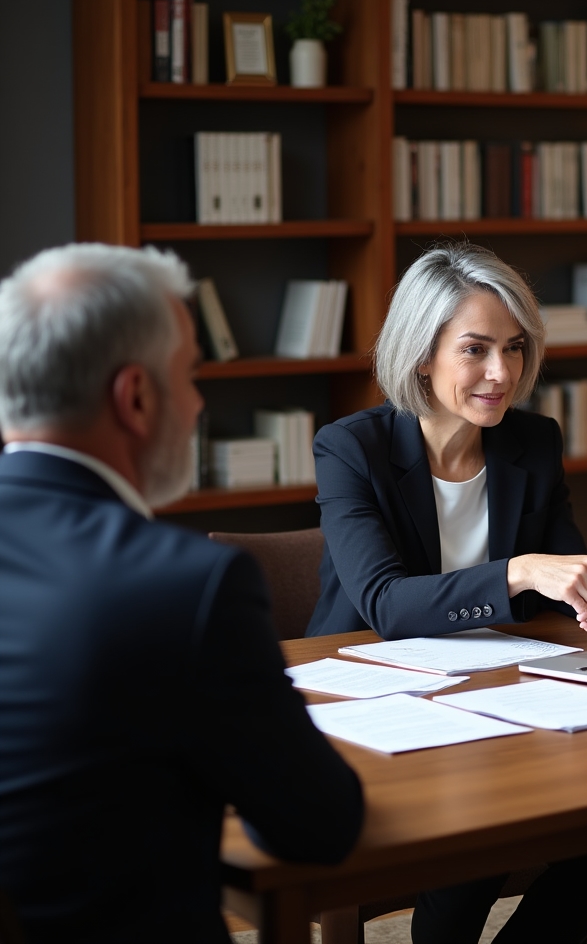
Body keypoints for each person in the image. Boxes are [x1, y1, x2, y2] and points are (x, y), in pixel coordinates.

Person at [0, 244, 364, 944]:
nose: (198, 401)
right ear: (135, 396)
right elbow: (320, 824)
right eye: (191, 374)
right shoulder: (181, 586)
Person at [309, 241, 587, 943]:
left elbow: (557, 580)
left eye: (516, 348)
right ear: (422, 353)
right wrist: (520, 570)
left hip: (495, 696)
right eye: (476, 350)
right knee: (476, 842)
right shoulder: (351, 449)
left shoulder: (533, 442)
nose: (502, 373)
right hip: (375, 703)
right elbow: (387, 606)